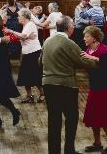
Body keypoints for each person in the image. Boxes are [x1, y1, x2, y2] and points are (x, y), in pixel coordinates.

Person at [40, 16, 98, 154]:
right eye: (72, 25)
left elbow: (40, 61)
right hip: (65, 85)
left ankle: (54, 151)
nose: (73, 27)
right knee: (71, 118)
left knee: (54, 120)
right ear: (69, 28)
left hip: (48, 84)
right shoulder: (68, 43)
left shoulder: (47, 41)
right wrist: (97, 60)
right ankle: (69, 150)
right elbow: (83, 61)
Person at [79, 26, 107, 153]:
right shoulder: (88, 49)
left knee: (105, 116)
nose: (84, 39)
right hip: (95, 85)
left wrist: (94, 58)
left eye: (86, 36)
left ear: (94, 38)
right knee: (94, 115)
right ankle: (97, 143)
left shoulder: (104, 50)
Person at [4, 8, 44, 103]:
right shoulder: (26, 25)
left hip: (33, 52)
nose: (18, 17)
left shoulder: (30, 24)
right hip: (27, 52)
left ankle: (42, 94)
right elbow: (23, 36)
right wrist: (23, 37)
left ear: (24, 16)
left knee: (35, 74)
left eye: (19, 16)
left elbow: (23, 36)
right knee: (26, 75)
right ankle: (29, 95)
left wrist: (11, 31)